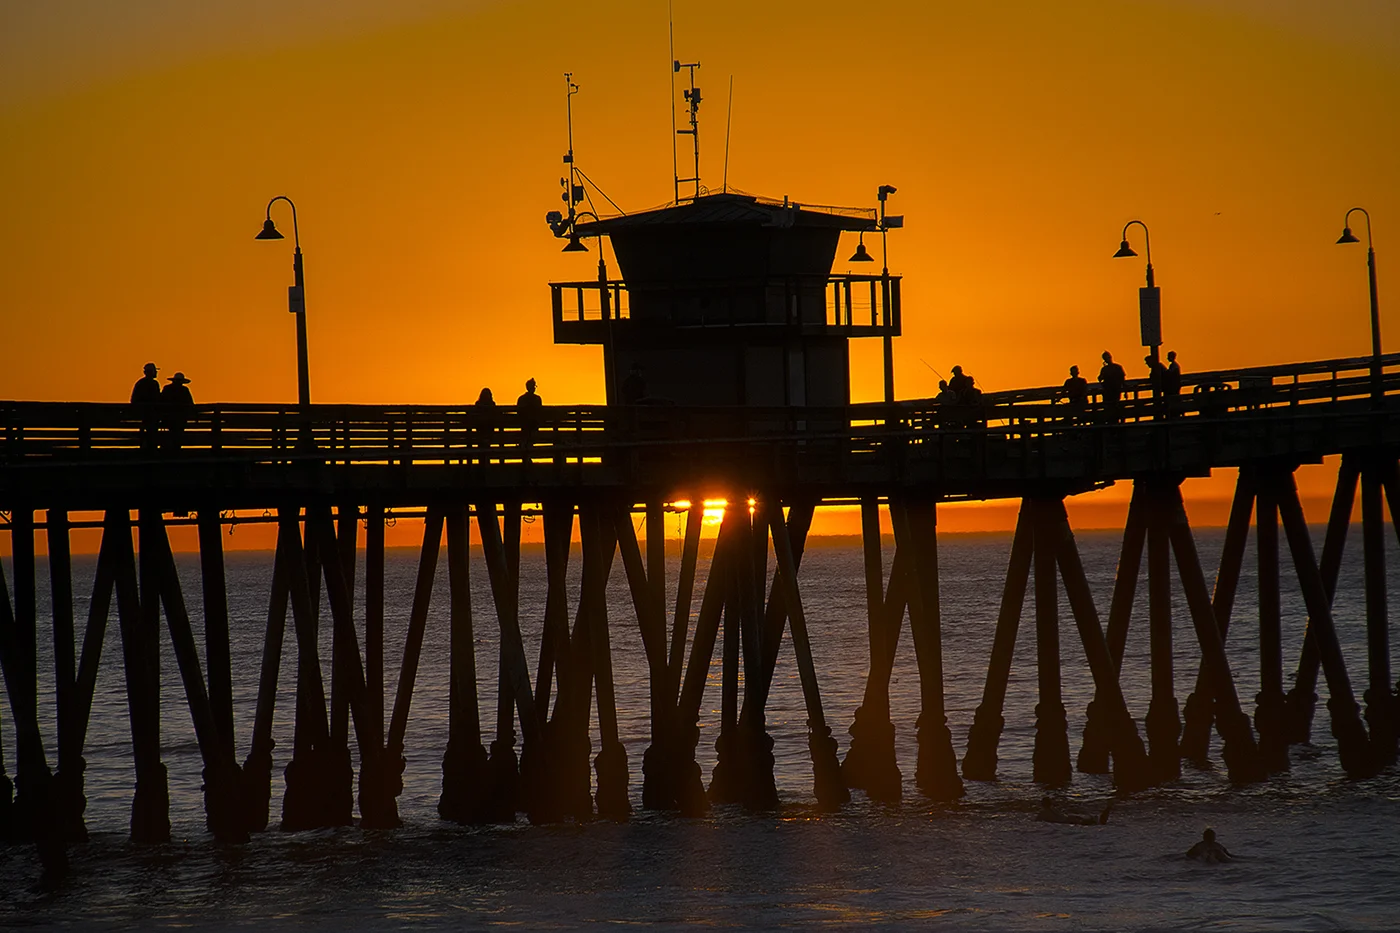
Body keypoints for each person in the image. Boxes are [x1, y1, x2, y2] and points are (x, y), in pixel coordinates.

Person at [160, 372, 194, 451]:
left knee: (171, 434)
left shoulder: (167, 389)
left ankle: (170, 449)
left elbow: (161, 401)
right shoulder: (184, 390)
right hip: (180, 418)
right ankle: (176, 449)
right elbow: (190, 403)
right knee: (178, 435)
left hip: (168, 418)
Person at [1036, 796, 1112, 826]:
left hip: (1066, 821)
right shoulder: (1054, 809)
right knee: (1087, 821)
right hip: (1069, 817)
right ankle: (1101, 816)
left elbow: (1037, 821)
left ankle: (1100, 819)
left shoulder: (1042, 813)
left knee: (1085, 823)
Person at [517, 377, 543, 456]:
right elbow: (540, 413)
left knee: (527, 435)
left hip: (524, 425)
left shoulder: (521, 399)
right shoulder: (537, 399)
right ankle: (528, 452)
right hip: (533, 426)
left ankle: (526, 451)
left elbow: (519, 413)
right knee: (531, 435)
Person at [1097, 351, 1126, 422]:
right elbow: (1100, 378)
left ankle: (1114, 420)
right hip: (1109, 390)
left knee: (1113, 405)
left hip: (1114, 390)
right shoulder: (1106, 369)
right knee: (1110, 406)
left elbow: (1122, 379)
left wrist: (1125, 390)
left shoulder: (1116, 367)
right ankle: (1112, 420)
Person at [473, 387, 496, 464]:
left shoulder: (477, 406)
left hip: (479, 436)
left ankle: (481, 463)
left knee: (481, 440)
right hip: (490, 436)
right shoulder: (493, 406)